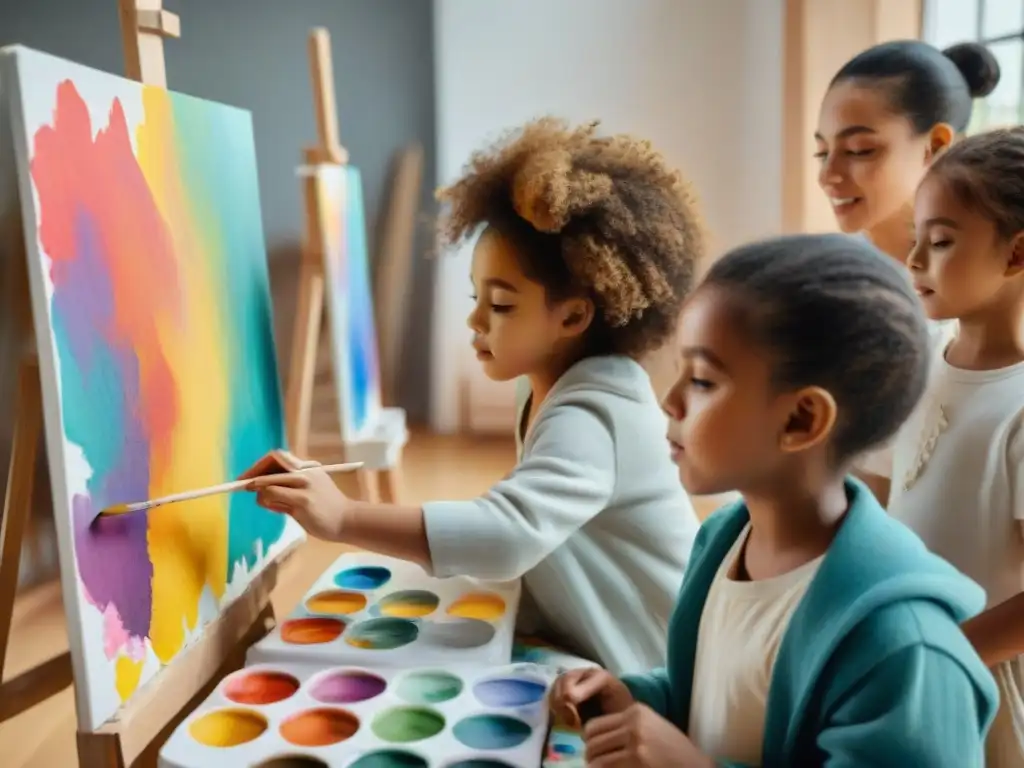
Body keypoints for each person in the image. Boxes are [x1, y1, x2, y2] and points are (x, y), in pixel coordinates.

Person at [242, 118, 705, 675]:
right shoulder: (554, 387)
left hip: (655, 671)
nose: (475, 319)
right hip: (598, 638)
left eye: (502, 305)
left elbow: (507, 534)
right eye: (476, 297)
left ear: (576, 315)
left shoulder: (593, 414)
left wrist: (343, 516)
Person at [550, 233, 997, 767]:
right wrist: (638, 701)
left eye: (702, 380)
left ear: (801, 419)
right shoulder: (724, 540)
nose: (669, 400)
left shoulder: (905, 650)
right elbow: (719, 702)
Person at [864, 127, 1024, 768]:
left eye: (941, 242)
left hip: (977, 684)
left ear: (1016, 255)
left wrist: (945, 651)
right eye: (916, 241)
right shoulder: (916, 363)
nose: (914, 262)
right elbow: (871, 501)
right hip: (893, 661)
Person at [814, 38, 1000, 504]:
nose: (828, 174)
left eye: (859, 150)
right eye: (822, 152)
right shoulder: (820, 284)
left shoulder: (988, 294)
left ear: (935, 146)